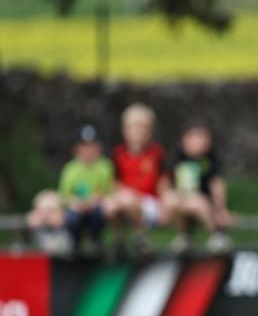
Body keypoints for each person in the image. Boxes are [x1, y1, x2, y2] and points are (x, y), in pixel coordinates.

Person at [108, 103, 172, 254]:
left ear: (150, 131)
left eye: (143, 128)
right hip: (126, 200)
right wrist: (121, 194)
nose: (138, 132)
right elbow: (114, 181)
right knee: (114, 204)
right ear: (125, 131)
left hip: (150, 203)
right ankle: (119, 238)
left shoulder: (156, 153)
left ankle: (141, 237)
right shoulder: (119, 153)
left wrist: (165, 202)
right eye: (134, 128)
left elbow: (163, 181)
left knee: (130, 201)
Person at [168, 120, 233, 253]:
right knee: (179, 201)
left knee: (198, 202)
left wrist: (221, 209)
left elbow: (217, 185)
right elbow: (174, 185)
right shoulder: (179, 157)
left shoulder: (211, 158)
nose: (200, 142)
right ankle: (185, 236)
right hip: (185, 201)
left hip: (205, 204)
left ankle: (216, 235)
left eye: (203, 138)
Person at [57, 125, 115, 253]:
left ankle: (97, 243)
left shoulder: (105, 166)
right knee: (71, 218)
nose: (88, 150)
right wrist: (77, 203)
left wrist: (93, 200)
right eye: (84, 146)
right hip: (76, 210)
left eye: (92, 146)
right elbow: (63, 196)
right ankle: (74, 246)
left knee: (98, 214)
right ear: (77, 149)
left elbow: (109, 192)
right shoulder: (70, 169)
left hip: (96, 208)